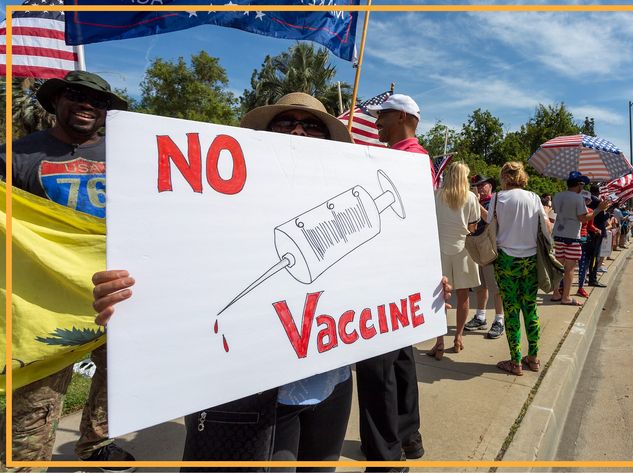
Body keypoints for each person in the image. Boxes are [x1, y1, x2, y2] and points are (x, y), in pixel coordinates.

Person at [93, 93, 357, 472]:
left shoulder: (345, 202)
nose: (299, 129)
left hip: (329, 380)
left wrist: (420, 291)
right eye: (285, 122)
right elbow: (171, 266)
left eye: (311, 124)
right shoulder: (212, 200)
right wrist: (125, 295)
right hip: (251, 390)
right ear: (263, 134)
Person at [0, 71, 136, 470]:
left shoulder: (129, 154)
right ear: (57, 101)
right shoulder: (17, 156)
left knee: (119, 379)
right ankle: (27, 462)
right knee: (36, 399)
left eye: (99, 101)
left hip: (117, 290)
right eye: (77, 95)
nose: (88, 105)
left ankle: (96, 447)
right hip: (47, 299)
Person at [358, 93, 428, 470]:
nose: (377, 123)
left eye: (382, 116)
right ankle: (408, 435)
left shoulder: (401, 160)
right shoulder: (418, 157)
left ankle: (385, 453)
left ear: (401, 116)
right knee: (401, 360)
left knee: (375, 369)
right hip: (401, 275)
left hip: (383, 274)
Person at [488, 162, 551, 376]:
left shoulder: (497, 198)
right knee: (530, 307)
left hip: (506, 261)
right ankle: (533, 357)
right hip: (531, 259)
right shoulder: (533, 198)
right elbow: (546, 228)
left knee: (512, 310)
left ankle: (515, 361)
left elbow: (489, 226)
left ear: (505, 176)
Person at [427, 162, 481, 359]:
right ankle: (458, 337)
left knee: (439, 298)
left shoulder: (437, 195)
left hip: (440, 249)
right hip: (463, 249)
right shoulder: (471, 197)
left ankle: (439, 341)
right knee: (463, 296)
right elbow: (473, 227)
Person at [551, 172, 609, 306]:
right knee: (569, 268)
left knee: (558, 266)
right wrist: (598, 210)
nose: (582, 187)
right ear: (579, 184)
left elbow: (555, 210)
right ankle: (565, 297)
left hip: (558, 234)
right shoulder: (577, 198)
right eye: (582, 184)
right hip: (572, 236)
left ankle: (555, 293)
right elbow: (583, 218)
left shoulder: (558, 196)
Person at [463, 174, 505, 340]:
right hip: (476, 247)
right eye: (477, 186)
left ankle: (499, 320)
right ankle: (480, 316)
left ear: (491, 186)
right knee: (480, 285)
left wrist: (476, 203)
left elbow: (491, 220)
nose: (480, 188)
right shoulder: (474, 201)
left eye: (483, 185)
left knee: (495, 287)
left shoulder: (496, 201)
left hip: (490, 248)